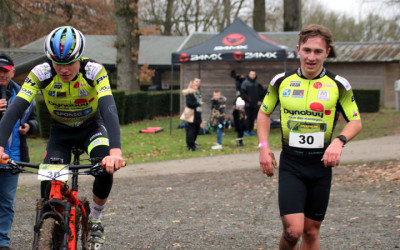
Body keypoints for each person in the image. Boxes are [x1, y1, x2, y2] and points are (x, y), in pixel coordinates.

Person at [0, 26, 124, 250]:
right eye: (57, 63)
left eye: (70, 62)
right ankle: (51, 228)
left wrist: (115, 151)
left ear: (80, 57)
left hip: (91, 128)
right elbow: (15, 109)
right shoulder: (41, 73)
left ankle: (95, 218)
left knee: (104, 163)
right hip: (61, 133)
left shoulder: (94, 70)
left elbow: (109, 108)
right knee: (49, 186)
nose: (63, 69)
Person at [257, 24, 362, 249]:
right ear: (298, 50)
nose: (311, 57)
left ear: (327, 53)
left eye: (317, 51)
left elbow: (356, 121)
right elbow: (264, 113)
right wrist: (263, 146)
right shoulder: (280, 81)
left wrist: (338, 141)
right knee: (293, 232)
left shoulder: (338, 85)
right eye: (307, 50)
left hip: (320, 166)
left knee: (311, 232)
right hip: (291, 164)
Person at [0, 53, 38, 250]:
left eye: (5, 72)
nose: (1, 75)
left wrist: (30, 127)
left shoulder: (24, 94)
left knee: (7, 203)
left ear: (12, 72)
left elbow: (36, 121)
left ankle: (2, 242)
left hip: (12, 159)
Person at [240, 70, 264, 136]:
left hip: (255, 104)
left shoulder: (256, 83)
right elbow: (242, 93)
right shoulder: (245, 83)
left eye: (254, 74)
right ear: (249, 75)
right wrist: (248, 99)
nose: (252, 75)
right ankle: (245, 130)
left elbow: (260, 93)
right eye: (251, 74)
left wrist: (260, 100)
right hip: (247, 104)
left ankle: (250, 130)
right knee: (246, 117)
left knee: (252, 118)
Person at [182, 78, 203, 151]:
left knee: (197, 129)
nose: (196, 87)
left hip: (197, 113)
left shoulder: (196, 93)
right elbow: (189, 104)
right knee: (191, 130)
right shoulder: (190, 94)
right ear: (191, 86)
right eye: (194, 86)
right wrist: (198, 103)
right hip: (192, 115)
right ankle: (191, 146)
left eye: (196, 86)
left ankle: (193, 143)